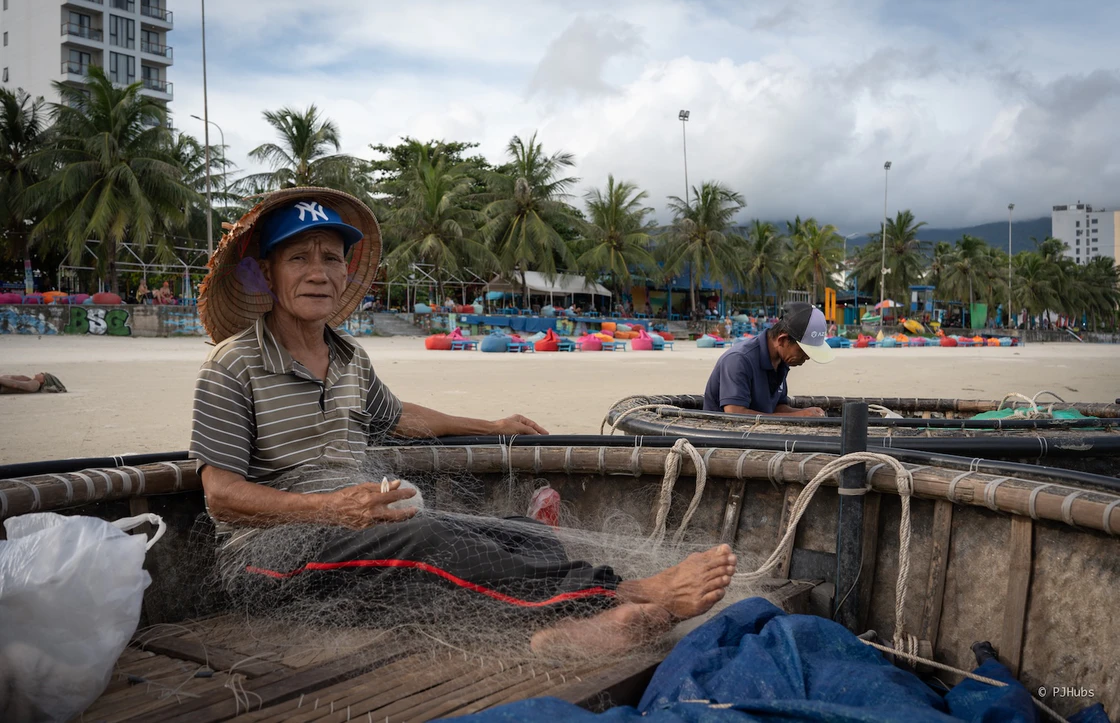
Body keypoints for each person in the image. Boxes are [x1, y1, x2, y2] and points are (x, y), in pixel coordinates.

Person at [190, 187, 736, 655]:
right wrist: (331, 507)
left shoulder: (349, 357)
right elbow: (222, 496)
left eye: (331, 258)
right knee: (424, 538)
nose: (318, 273)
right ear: (266, 272)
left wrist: (494, 423)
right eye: (298, 259)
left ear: (346, 271)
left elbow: (399, 416)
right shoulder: (233, 364)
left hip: (355, 534)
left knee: (527, 538)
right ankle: (627, 596)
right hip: (270, 558)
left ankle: (573, 628)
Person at [703, 302, 833, 416]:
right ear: (782, 340)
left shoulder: (781, 362)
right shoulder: (739, 360)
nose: (807, 357)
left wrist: (806, 412)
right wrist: (800, 416)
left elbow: (777, 407)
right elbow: (735, 413)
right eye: (803, 351)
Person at [0, 372, 66, 394]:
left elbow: (15, 385)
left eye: (42, 374)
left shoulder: (35, 384)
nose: (39, 373)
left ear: (44, 380)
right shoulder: (31, 381)